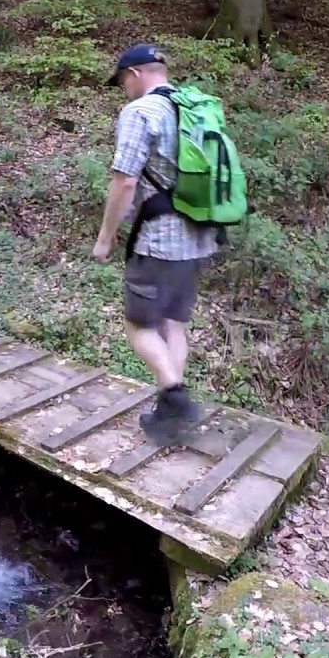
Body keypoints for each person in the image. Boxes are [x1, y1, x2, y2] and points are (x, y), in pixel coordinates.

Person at [93, 44, 221, 445]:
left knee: (138, 326)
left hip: (159, 240)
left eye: (121, 83)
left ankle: (175, 396)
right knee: (173, 324)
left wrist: (105, 238)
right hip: (199, 235)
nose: (123, 91)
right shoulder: (195, 107)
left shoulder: (140, 112)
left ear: (134, 74)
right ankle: (171, 416)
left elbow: (125, 181)